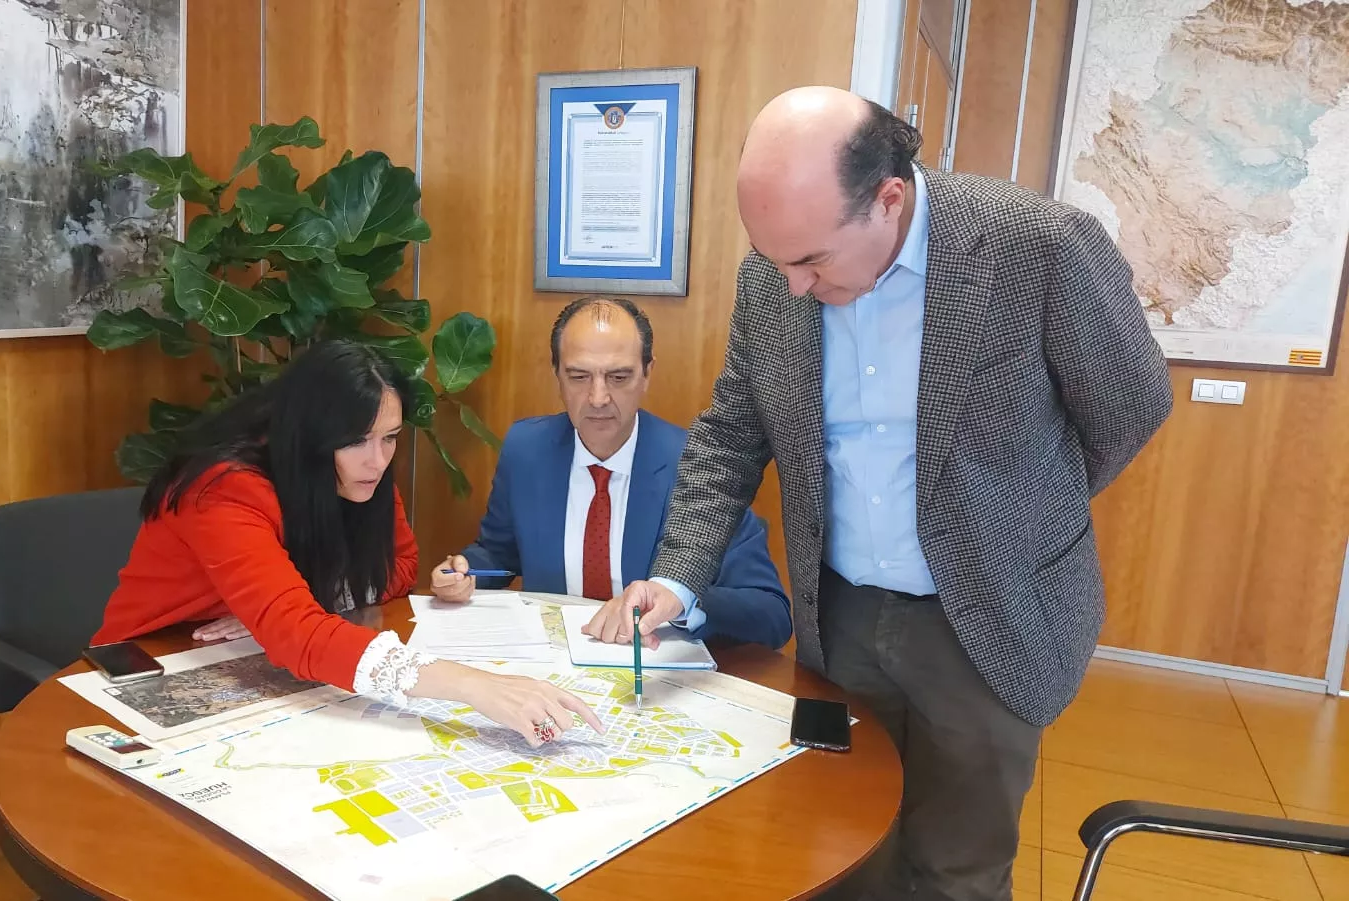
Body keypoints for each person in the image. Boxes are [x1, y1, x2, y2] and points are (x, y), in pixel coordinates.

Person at [584, 87, 1173, 900]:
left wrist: (1018, 515)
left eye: (812, 262)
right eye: (773, 259)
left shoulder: (1035, 246)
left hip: (989, 620)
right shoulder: (774, 276)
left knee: (953, 869)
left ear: (888, 198)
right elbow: (731, 434)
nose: (790, 285)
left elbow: (1131, 404)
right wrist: (679, 575)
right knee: (840, 847)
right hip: (843, 617)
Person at [92, 339, 604, 747]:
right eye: (356, 439)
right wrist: (475, 686)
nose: (377, 462)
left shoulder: (361, 473)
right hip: (148, 669)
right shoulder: (225, 486)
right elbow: (298, 635)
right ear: (312, 435)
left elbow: (400, 567)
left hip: (257, 667)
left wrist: (292, 601)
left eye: (390, 437)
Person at [428, 297, 792, 650]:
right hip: (552, 671)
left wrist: (679, 602)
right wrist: (465, 573)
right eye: (579, 376)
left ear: (647, 373)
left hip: (653, 672)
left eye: (618, 377)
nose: (598, 397)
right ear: (557, 373)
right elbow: (500, 557)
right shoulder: (528, 449)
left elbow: (770, 612)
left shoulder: (700, 464)